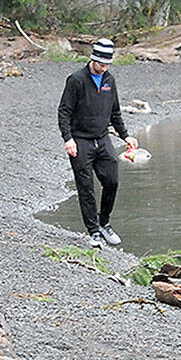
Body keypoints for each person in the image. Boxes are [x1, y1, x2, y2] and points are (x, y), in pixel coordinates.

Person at [57, 38, 138, 248]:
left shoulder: (110, 80)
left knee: (112, 182)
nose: (104, 68)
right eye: (101, 64)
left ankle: (104, 223)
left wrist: (126, 136)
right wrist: (68, 139)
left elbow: (115, 113)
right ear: (93, 59)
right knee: (86, 188)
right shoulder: (76, 80)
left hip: (102, 139)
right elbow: (64, 111)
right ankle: (93, 231)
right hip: (80, 141)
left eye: (108, 64)